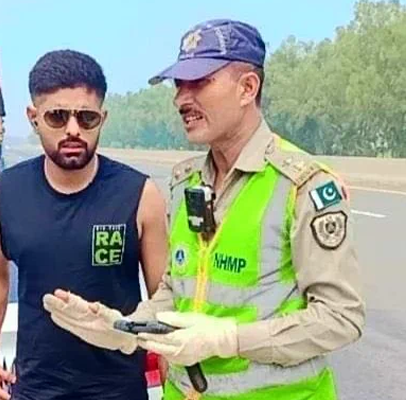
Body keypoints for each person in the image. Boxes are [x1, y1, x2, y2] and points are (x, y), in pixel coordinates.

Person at [43, 19, 365, 400]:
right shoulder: (186, 183)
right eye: (179, 85)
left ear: (248, 87)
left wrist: (230, 340)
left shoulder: (301, 185)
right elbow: (175, 290)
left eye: (199, 82)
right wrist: (123, 327)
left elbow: (340, 317)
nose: (182, 99)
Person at [0, 49, 169, 400]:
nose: (73, 130)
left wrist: (176, 388)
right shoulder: (4, 193)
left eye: (87, 118)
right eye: (57, 117)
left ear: (103, 118)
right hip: (35, 389)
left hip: (118, 390)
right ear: (34, 118)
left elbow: (164, 302)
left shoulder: (139, 195)